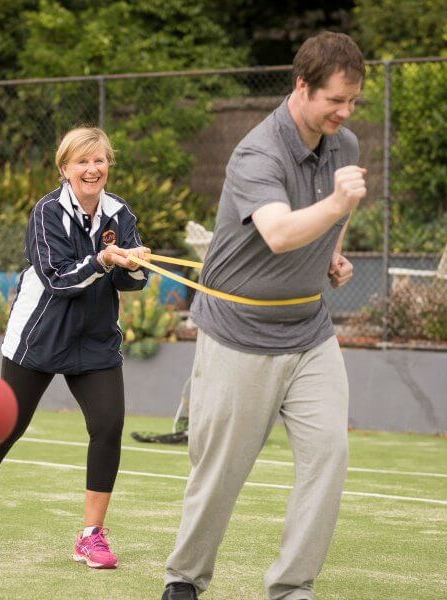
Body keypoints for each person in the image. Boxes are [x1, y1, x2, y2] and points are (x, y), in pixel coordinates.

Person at [162, 32, 367, 600]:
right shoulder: (258, 151)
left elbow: (333, 215)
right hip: (238, 336)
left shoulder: (342, 144)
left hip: (309, 333)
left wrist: (330, 253)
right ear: (301, 86)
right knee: (219, 474)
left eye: (353, 101)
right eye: (335, 100)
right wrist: (336, 206)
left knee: (329, 455)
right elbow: (277, 233)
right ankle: (184, 581)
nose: (345, 113)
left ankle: (292, 587)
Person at [0, 127, 150, 569]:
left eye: (100, 161)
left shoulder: (120, 213)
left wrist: (135, 266)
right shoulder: (46, 212)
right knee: (5, 428)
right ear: (65, 169)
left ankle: (90, 536)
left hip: (94, 339)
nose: (92, 169)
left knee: (108, 426)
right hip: (41, 334)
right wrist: (102, 260)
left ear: (108, 164)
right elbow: (58, 278)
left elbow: (130, 283)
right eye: (82, 162)